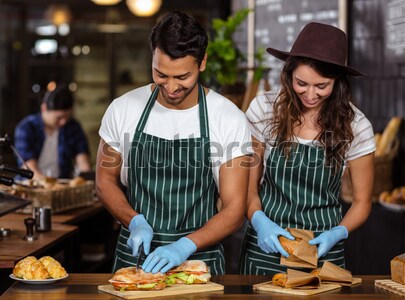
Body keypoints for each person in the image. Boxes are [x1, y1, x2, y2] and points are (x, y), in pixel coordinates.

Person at [96, 11, 251, 275]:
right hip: (136, 262)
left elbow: (235, 208)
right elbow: (104, 181)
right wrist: (134, 222)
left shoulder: (227, 118)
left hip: (199, 263)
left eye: (182, 77)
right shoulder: (123, 109)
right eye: (161, 74)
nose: (170, 87)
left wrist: (184, 245)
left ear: (202, 62)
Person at [241, 22, 376, 275]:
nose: (310, 95)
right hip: (266, 251)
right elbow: (248, 186)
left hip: (322, 257)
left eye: (322, 86)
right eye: (301, 83)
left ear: (337, 82)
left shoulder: (356, 125)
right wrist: (259, 221)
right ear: (288, 73)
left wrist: (338, 233)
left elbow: (362, 202)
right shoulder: (263, 109)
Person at [14, 82, 91, 179]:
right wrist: (47, 186)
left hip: (61, 184)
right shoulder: (26, 128)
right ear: (44, 108)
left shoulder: (73, 126)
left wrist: (85, 180)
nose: (63, 122)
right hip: (31, 184)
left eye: (67, 117)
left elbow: (83, 161)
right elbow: (28, 166)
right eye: (59, 117)